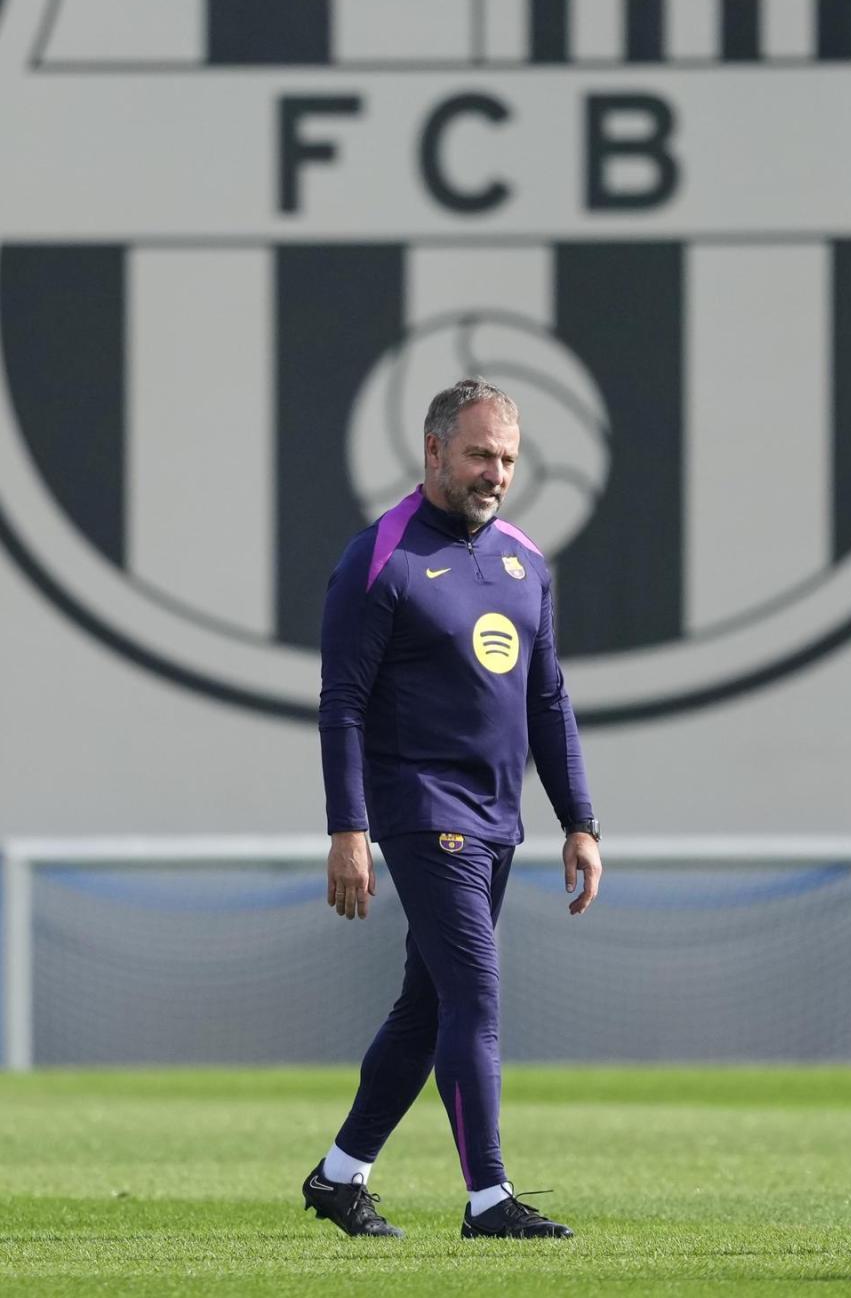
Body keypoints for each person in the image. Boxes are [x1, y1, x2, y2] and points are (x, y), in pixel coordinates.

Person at [302, 377, 602, 1240]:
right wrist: (348, 829)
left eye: (507, 458)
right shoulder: (381, 557)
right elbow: (343, 703)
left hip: (496, 818)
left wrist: (579, 821)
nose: (496, 472)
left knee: (426, 1008)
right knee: (476, 995)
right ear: (434, 451)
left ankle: (338, 1176)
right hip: (421, 811)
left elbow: (548, 701)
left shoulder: (523, 561)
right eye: (479, 454)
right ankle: (489, 1200)